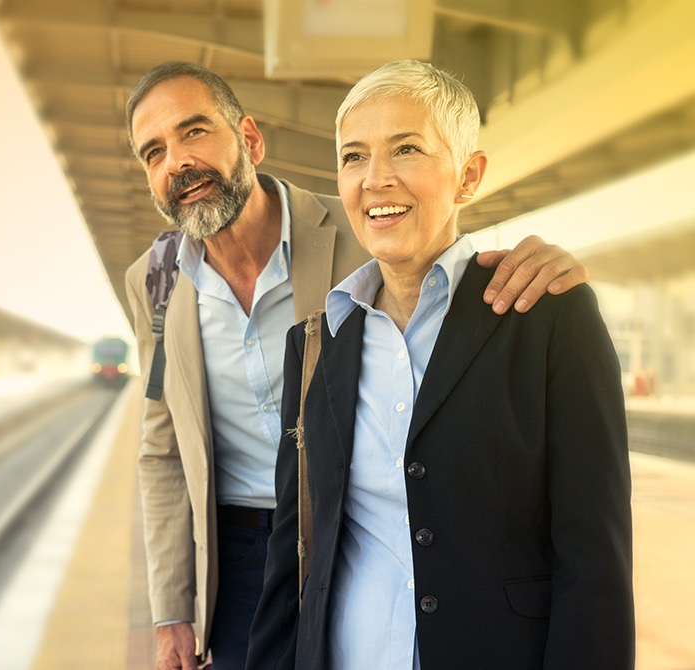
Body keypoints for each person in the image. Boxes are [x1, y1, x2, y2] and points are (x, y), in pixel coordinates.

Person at [122, 61, 592, 670]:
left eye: (194, 132)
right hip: (238, 550)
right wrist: (171, 612)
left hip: (350, 528)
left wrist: (541, 261)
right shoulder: (154, 284)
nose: (176, 162)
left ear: (251, 140)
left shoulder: (360, 227)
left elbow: (438, 260)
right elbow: (160, 448)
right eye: (152, 152)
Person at [245, 59, 633, 669]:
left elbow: (594, 556)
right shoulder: (316, 344)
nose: (376, 179)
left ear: (468, 176)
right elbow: (293, 549)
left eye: (406, 149)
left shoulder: (548, 316)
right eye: (353, 156)